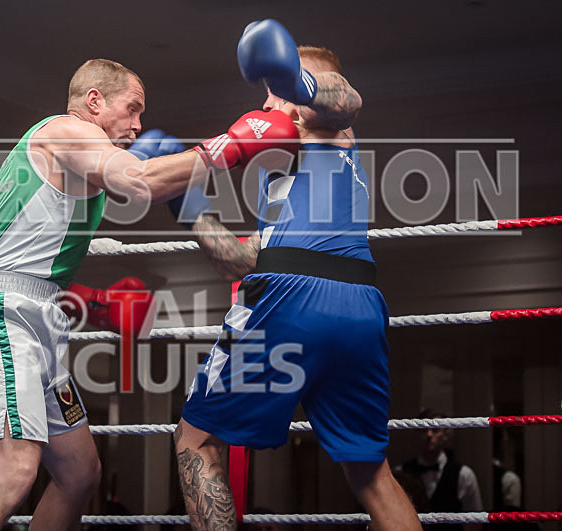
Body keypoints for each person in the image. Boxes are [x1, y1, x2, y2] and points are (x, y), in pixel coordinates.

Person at [0, 57, 302, 530]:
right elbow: (138, 182)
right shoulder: (69, 132)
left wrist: (90, 301)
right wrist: (230, 145)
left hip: (34, 314)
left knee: (79, 472)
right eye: (132, 109)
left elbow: (41, 248)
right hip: (5, 315)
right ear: (94, 101)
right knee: (12, 473)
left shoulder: (73, 151)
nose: (137, 125)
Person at [172, 20, 422, 531]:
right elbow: (242, 261)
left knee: (195, 439)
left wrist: (298, 84)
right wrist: (187, 206)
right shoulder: (288, 174)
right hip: (358, 307)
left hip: (286, 300)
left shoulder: (329, 122)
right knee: (372, 474)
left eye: (277, 89)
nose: (267, 104)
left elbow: (346, 99)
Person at [399, 409, 484, 531]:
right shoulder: (401, 472)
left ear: (445, 436)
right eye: (424, 429)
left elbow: (474, 524)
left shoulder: (464, 475)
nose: (429, 434)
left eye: (435, 430)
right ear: (417, 434)